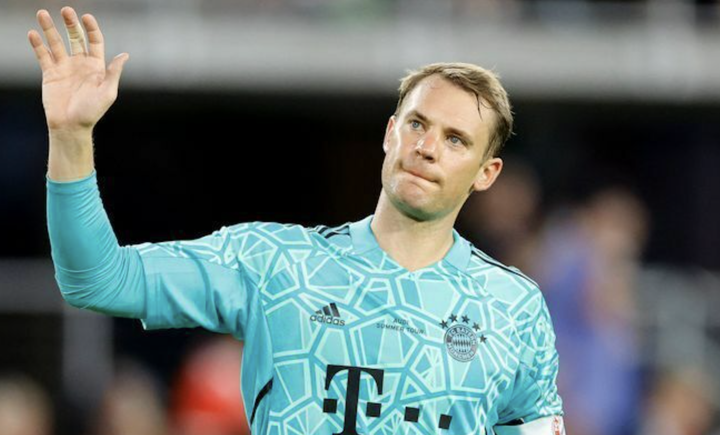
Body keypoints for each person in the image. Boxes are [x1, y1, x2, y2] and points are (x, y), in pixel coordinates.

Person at [29, 6, 565, 434]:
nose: (426, 147)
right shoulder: (277, 264)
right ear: (389, 133)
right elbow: (97, 278)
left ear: (487, 173)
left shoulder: (514, 308)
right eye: (417, 124)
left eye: (455, 140)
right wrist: (71, 137)